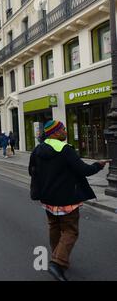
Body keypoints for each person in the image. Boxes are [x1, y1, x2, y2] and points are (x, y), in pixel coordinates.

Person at [29, 120, 109, 281]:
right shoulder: (65, 150)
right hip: (66, 199)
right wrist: (99, 165)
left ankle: (56, 255)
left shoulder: (37, 150)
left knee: (54, 227)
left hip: (47, 199)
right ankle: (57, 262)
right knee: (70, 230)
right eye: (63, 129)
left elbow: (32, 172)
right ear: (56, 132)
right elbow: (84, 170)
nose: (65, 131)